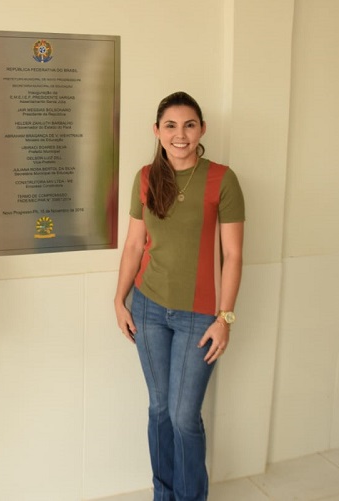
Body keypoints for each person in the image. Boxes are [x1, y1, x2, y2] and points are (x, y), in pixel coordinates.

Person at [113, 92, 244, 501]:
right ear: (157, 131)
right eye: (170, 125)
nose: (180, 134)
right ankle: (163, 494)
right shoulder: (146, 178)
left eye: (189, 125)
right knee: (159, 410)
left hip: (198, 317)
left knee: (184, 417)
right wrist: (119, 301)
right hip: (148, 309)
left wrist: (225, 319)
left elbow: (234, 254)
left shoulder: (223, 179)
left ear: (202, 129)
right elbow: (134, 246)